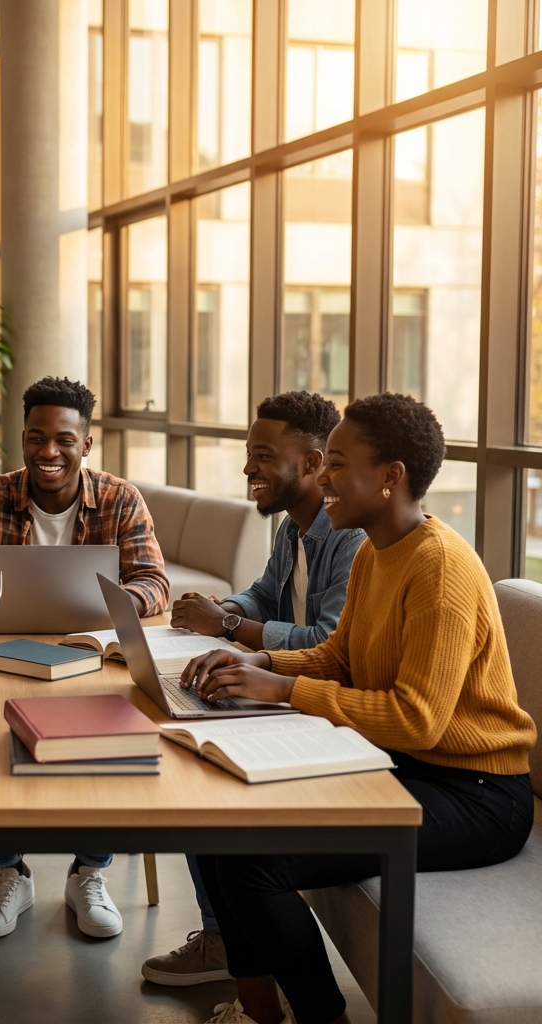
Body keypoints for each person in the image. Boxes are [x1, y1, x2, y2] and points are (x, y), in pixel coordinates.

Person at [179, 393, 536, 1024]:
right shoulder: (375, 549)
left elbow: (417, 719)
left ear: (391, 476)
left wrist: (286, 690)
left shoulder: (441, 570)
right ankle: (256, 1011)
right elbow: (339, 657)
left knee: (253, 862)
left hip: (478, 793)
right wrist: (261, 665)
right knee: (219, 820)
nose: (323, 478)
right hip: (408, 764)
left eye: (338, 464)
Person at [0, 375, 169, 942]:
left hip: (94, 655)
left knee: (110, 732)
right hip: (5, 653)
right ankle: (9, 871)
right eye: (36, 438)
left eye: (64, 439)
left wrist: (112, 603)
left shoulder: (119, 498)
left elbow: (154, 583)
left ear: (86, 443)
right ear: (22, 438)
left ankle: (89, 872)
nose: (48, 452)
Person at [142, 391, 366, 990]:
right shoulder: (292, 530)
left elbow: (329, 639)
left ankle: (238, 953)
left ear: (316, 462)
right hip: (289, 686)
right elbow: (265, 594)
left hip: (321, 709)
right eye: (249, 454)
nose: (248, 469)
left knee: (211, 797)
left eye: (263, 456)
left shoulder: (350, 538)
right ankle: (226, 943)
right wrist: (223, 609)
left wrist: (231, 628)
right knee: (194, 760)